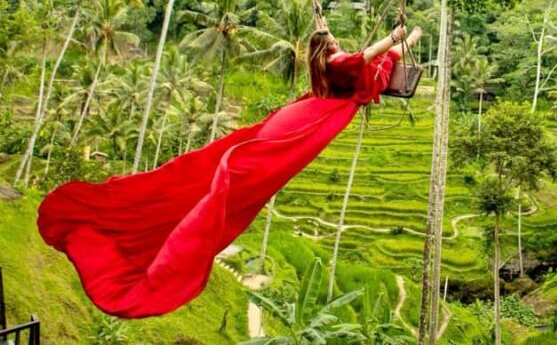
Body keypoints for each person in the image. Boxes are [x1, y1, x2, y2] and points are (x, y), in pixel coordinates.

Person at [37, 23, 422, 318]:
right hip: (310, 120)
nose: (338, 41)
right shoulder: (336, 62)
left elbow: (372, 65)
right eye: (333, 38)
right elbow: (361, 59)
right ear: (327, 47)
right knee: (243, 170)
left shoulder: (326, 65)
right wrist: (395, 37)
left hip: (307, 113)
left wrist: (408, 40)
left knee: (240, 164)